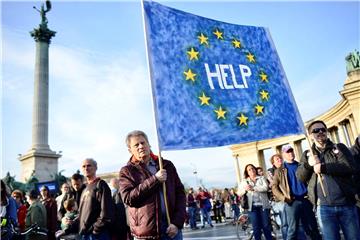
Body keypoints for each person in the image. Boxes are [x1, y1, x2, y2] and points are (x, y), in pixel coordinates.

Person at [297, 120, 360, 240]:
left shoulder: (340, 148)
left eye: (323, 129)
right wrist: (308, 165)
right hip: (324, 208)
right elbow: (300, 177)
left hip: (346, 203)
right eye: (315, 130)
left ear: (327, 132)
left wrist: (323, 167)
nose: (320, 132)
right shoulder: (307, 154)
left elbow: (350, 167)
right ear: (310, 136)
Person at [119, 130, 186, 240]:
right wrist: (155, 179)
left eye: (143, 142)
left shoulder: (166, 165)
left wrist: (177, 223)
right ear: (130, 150)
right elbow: (128, 198)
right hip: (147, 233)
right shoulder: (127, 171)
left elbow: (180, 194)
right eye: (136, 145)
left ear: (149, 144)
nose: (141, 146)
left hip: (172, 229)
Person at [272, 146, 320, 240]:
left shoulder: (301, 166)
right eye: (287, 152)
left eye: (291, 151)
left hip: (306, 200)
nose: (290, 153)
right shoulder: (280, 170)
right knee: (292, 230)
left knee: (312, 227)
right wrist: (284, 198)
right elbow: (274, 187)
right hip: (292, 202)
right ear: (283, 155)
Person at [78, 158, 114, 240]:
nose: (86, 168)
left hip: (97, 235)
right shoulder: (84, 189)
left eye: (89, 165)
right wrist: (69, 226)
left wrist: (95, 229)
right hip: (85, 234)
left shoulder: (101, 185)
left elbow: (106, 212)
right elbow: (82, 213)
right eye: (83, 166)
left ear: (95, 167)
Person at [239, 164, 272, 240]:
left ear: (255, 169)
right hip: (252, 207)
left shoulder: (262, 178)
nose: (252, 170)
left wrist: (254, 188)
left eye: (252, 168)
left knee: (266, 226)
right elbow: (239, 193)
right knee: (256, 227)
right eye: (249, 170)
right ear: (247, 172)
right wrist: (245, 190)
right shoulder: (245, 181)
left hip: (263, 205)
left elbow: (265, 188)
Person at [267, 154, 287, 240]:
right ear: (273, 163)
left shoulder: (286, 168)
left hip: (290, 198)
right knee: (284, 223)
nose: (280, 160)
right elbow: (273, 185)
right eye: (277, 159)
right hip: (280, 200)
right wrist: (283, 197)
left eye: (280, 158)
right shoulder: (271, 171)